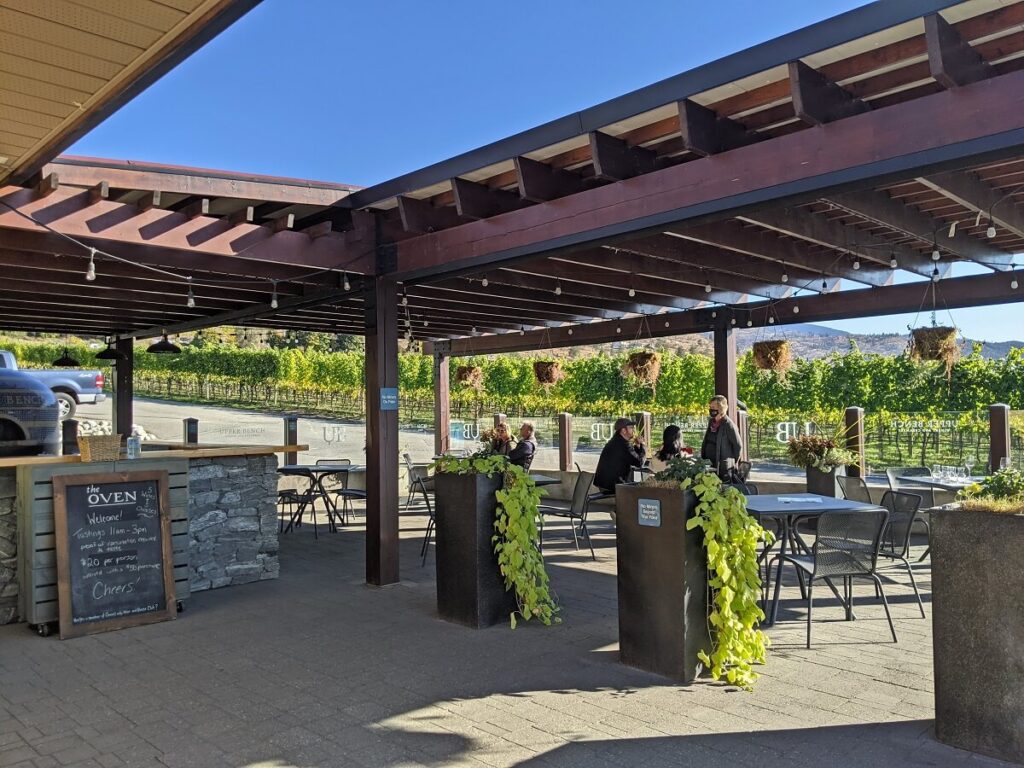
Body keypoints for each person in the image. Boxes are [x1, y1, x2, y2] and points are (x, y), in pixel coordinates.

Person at [594, 417, 646, 493]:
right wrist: (642, 446)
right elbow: (640, 462)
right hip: (612, 485)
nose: (633, 430)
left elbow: (632, 457)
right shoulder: (623, 445)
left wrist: (638, 446)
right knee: (643, 490)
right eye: (631, 428)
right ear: (623, 431)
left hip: (604, 483)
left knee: (636, 485)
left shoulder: (616, 441)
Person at [700, 395, 743, 476]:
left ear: (721, 408)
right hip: (709, 464)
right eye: (710, 406)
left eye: (713, 406)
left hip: (722, 467)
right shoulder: (711, 422)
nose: (711, 409)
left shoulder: (728, 425)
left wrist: (731, 461)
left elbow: (738, 445)